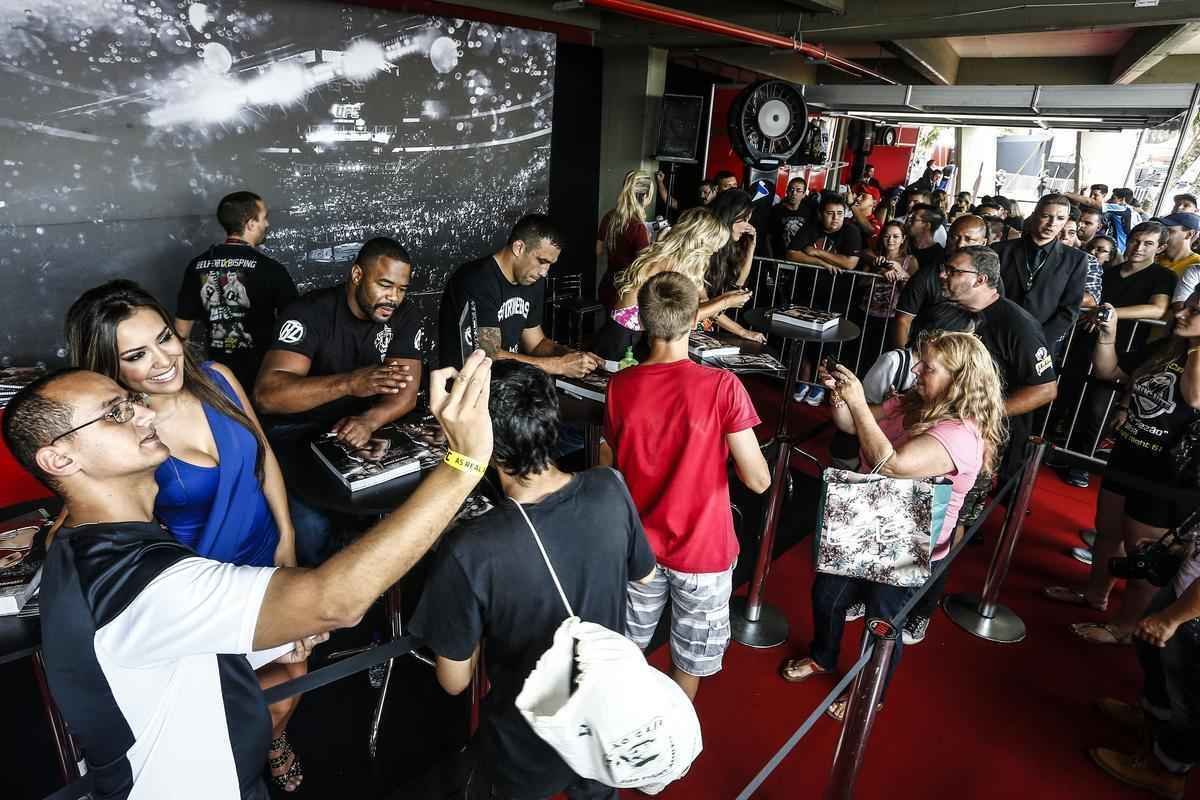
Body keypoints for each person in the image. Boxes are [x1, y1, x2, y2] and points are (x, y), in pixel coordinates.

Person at [0, 349, 494, 800]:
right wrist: (463, 463)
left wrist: (273, 634)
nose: (146, 413)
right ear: (59, 458)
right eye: (115, 414)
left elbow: (161, 654)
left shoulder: (87, 543)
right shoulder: (139, 581)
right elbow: (335, 601)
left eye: (131, 403)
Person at [65, 280, 308, 790]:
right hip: (203, 585)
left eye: (164, 338)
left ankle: (273, 740)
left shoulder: (219, 377)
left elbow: (263, 456)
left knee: (292, 676)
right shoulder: (126, 437)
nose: (162, 360)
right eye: (136, 355)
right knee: (232, 704)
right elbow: (91, 513)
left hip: (267, 556)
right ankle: (238, 773)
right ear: (109, 369)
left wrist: (286, 539)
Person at [410, 361, 656, 800]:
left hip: (525, 741)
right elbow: (645, 573)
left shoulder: (470, 549)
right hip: (602, 718)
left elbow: (454, 680)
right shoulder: (610, 486)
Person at [780, 331, 1005, 703]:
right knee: (827, 595)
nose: (916, 371)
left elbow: (891, 464)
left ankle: (871, 693)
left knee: (882, 621)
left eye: (928, 367)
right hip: (869, 513)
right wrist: (842, 396)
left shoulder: (961, 435)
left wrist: (857, 400)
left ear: (958, 380)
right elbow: (851, 424)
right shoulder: (914, 401)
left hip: (912, 538)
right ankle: (823, 656)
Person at [604, 272, 770, 700]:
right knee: (688, 662)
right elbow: (758, 480)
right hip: (703, 550)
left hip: (639, 547)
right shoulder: (723, 386)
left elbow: (613, 463)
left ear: (643, 319)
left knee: (624, 653)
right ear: (696, 319)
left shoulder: (620, 386)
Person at [1044, 290, 1200, 646]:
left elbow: (1195, 397)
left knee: (1143, 555)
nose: (1182, 312)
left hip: (1168, 475)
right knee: (1108, 532)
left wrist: (1195, 345)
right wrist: (1108, 333)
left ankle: (1127, 626)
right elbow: (1109, 369)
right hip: (1129, 453)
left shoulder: (1192, 352)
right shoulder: (1167, 347)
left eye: (1195, 311)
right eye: (1187, 305)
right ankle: (1094, 594)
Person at [254, 236, 422, 564]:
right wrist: (349, 383)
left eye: (401, 289)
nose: (394, 297)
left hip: (360, 427)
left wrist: (369, 420)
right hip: (296, 432)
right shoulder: (309, 313)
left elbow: (406, 393)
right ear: (357, 275)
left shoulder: (403, 314)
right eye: (385, 285)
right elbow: (267, 395)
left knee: (398, 508)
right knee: (312, 529)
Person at [1058, 223, 1174, 488]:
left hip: (1124, 351)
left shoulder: (1162, 276)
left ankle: (1082, 463)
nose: (1139, 247)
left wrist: (1107, 314)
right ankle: (1062, 452)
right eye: (1135, 241)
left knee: (1099, 408)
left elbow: (1157, 310)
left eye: (1148, 243)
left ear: (1161, 248)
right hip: (1085, 344)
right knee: (1072, 397)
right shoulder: (1108, 272)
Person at [1089, 534, 1200, 799]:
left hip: (1194, 610)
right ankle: (1152, 722)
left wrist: (1172, 618)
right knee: (1154, 654)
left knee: (1188, 697)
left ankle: (1167, 769)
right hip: (1188, 585)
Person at [939, 246, 1058, 482]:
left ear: (980, 279)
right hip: (947, 423)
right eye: (945, 269)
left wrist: (982, 414)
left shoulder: (1019, 325)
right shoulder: (948, 311)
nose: (943, 275)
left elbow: (1045, 389)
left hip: (991, 435)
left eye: (953, 271)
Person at [438, 214, 601, 376]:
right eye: (542, 261)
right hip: (467, 385)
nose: (544, 272)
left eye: (549, 264)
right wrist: (558, 365)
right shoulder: (476, 280)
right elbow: (488, 355)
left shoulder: (531, 280)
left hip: (507, 382)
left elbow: (536, 344)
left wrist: (572, 356)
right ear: (518, 248)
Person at [591, 207, 758, 362]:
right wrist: (726, 301)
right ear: (703, 240)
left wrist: (741, 329)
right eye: (715, 244)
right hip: (622, 338)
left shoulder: (679, 261)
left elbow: (704, 303)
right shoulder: (673, 264)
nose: (716, 250)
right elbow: (684, 318)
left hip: (634, 335)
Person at [175, 191, 298, 391]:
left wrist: (186, 381)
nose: (267, 224)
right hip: (262, 376)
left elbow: (181, 331)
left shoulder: (196, 266)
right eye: (264, 218)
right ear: (250, 224)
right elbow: (295, 325)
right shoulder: (270, 269)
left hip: (218, 377)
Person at [991, 193, 1087, 356]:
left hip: (1041, 345)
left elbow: (1070, 309)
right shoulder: (1000, 250)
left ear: (1066, 221)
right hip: (996, 337)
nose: (1052, 223)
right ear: (1034, 215)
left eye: (1060, 218)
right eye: (1046, 216)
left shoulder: (1075, 259)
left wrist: (1038, 340)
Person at [892, 213, 986, 349]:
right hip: (925, 350)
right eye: (954, 237)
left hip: (966, 353)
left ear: (983, 243)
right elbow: (903, 320)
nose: (960, 244)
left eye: (969, 239)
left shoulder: (989, 279)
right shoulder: (926, 275)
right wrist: (904, 357)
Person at [596, 170, 654, 308]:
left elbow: (598, 251)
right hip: (626, 290)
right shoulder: (638, 227)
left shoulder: (609, 217)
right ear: (645, 196)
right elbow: (644, 266)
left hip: (608, 284)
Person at [785, 195, 863, 272]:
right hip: (807, 277)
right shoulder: (811, 226)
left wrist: (818, 252)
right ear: (820, 214)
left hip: (837, 279)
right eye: (830, 213)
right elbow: (791, 254)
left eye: (840, 213)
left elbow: (850, 263)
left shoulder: (851, 230)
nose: (835, 217)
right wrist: (820, 263)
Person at [707, 189, 758, 291]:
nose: (747, 226)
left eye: (748, 220)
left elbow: (738, 282)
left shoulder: (732, 246)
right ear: (730, 215)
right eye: (744, 220)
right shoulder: (705, 242)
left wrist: (751, 247)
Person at [767, 177, 812, 259]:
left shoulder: (808, 212)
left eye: (798, 190)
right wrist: (771, 259)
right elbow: (768, 237)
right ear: (787, 191)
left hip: (800, 258)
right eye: (791, 189)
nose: (794, 193)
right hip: (779, 257)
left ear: (804, 194)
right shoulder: (777, 210)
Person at [1157, 212, 1200, 283]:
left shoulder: (1197, 265)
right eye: (1161, 231)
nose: (1161, 236)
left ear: (1189, 234)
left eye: (1169, 231)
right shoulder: (1153, 258)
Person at [904, 203, 946, 273]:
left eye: (913, 219)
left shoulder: (938, 257)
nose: (907, 222)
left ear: (927, 225)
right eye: (908, 218)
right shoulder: (903, 244)